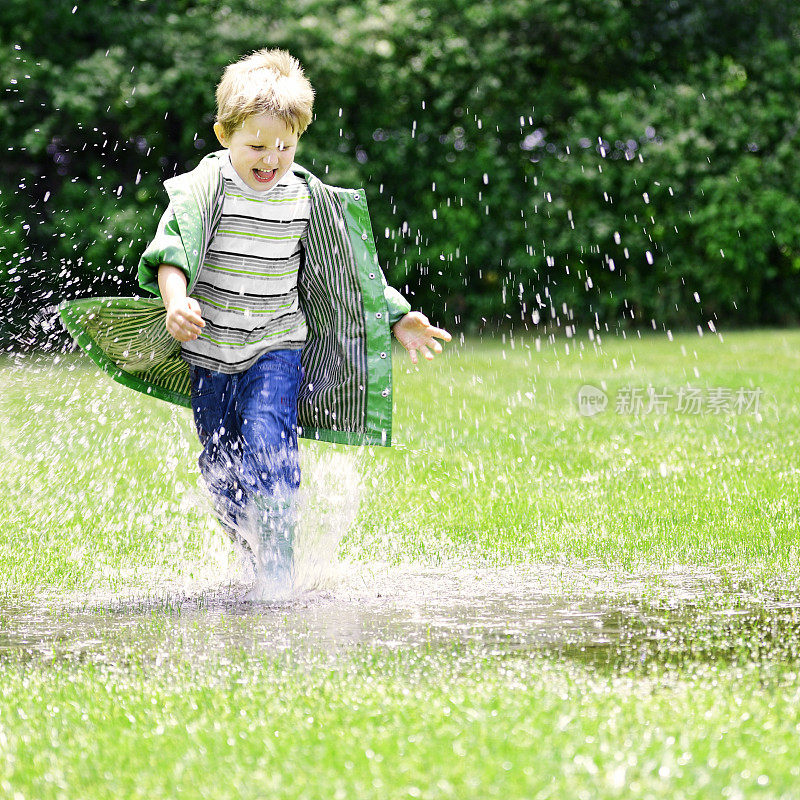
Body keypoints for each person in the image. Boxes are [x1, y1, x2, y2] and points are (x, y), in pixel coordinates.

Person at [105, 48, 449, 592]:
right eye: (257, 146)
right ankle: (251, 556)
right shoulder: (205, 189)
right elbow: (173, 251)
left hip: (276, 345)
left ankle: (279, 576)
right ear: (224, 134)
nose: (270, 158)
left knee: (269, 445)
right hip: (210, 354)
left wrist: (397, 316)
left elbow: (348, 270)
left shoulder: (307, 197)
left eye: (284, 146)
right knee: (221, 471)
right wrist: (175, 302)